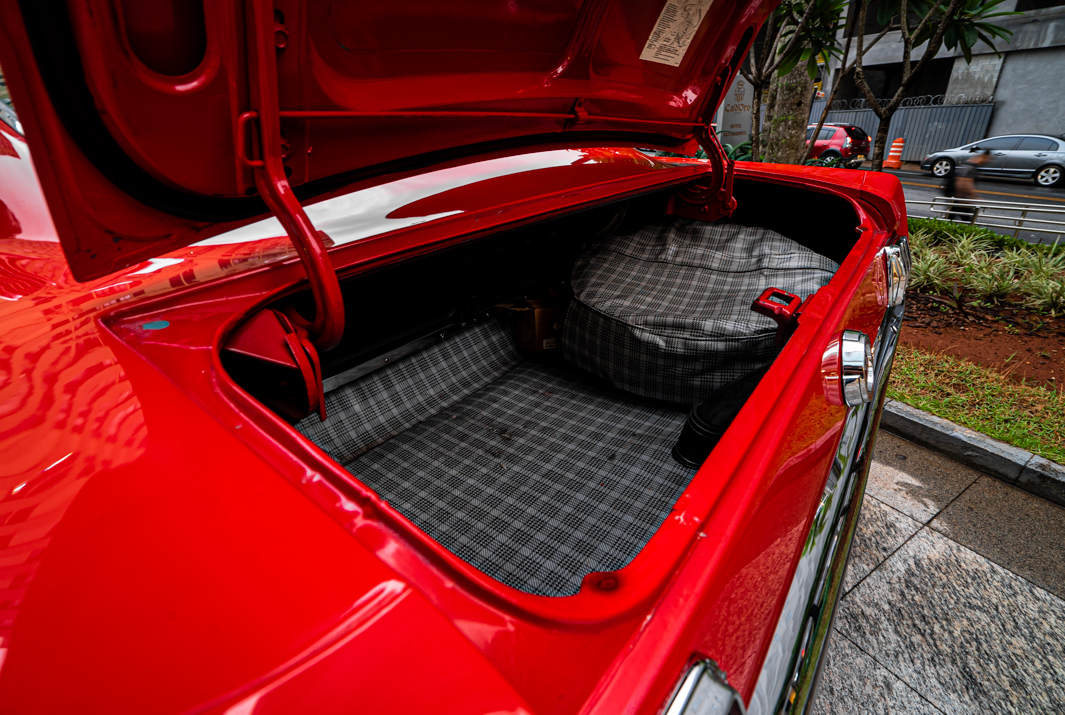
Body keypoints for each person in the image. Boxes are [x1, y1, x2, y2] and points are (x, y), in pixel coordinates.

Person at [945, 150, 990, 222]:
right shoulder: (970, 168)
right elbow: (965, 184)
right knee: (967, 219)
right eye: (987, 158)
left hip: (957, 197)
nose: (988, 160)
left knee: (953, 216)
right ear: (983, 157)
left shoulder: (966, 165)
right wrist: (972, 197)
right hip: (960, 198)